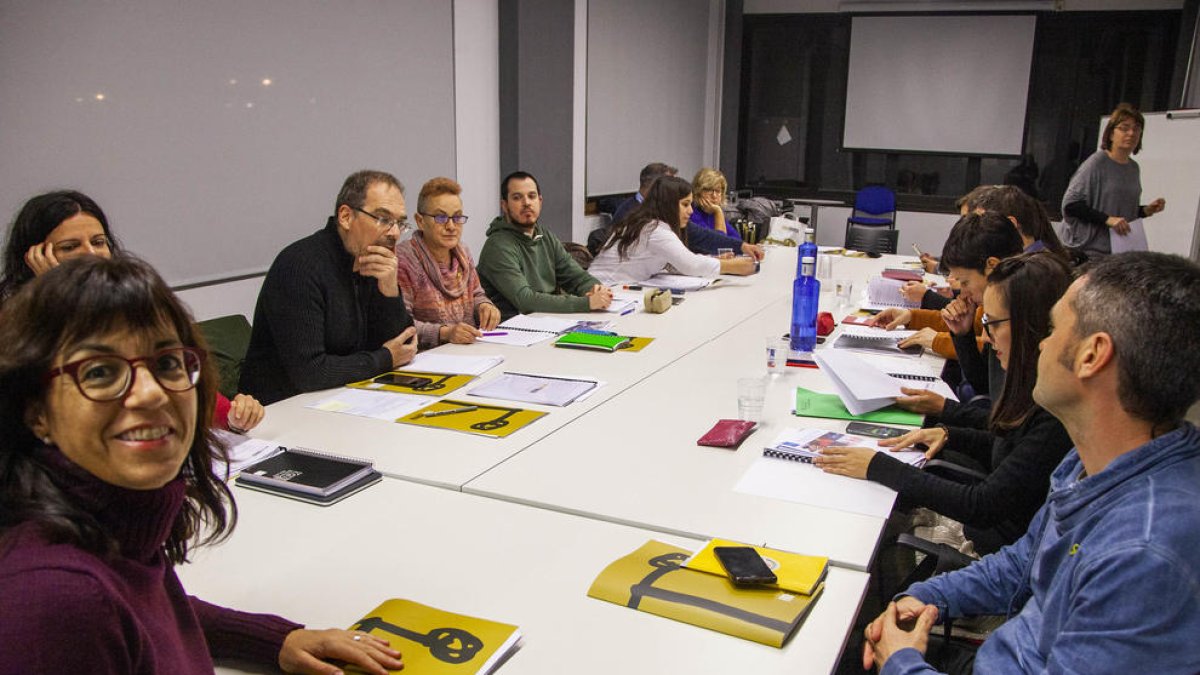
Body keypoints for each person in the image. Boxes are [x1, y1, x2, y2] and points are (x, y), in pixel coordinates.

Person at [0, 255, 404, 674]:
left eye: (168, 364)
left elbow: (151, 606)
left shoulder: (111, 527)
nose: (151, 394)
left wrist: (275, 637)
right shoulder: (55, 599)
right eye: (100, 372)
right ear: (36, 412)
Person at [862, 252, 1200, 674]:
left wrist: (901, 664)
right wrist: (927, 598)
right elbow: (1024, 564)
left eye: (1055, 329)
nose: (1040, 342)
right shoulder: (1094, 461)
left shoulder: (1143, 553)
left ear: (1092, 355)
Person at [815, 253, 1074, 555]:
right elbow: (1011, 441)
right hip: (996, 533)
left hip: (993, 547)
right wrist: (950, 431)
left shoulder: (1054, 410)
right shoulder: (1032, 387)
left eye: (991, 324)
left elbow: (982, 505)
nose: (987, 339)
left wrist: (878, 466)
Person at [0, 190, 264, 434]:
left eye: (98, 242)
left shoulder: (133, 307)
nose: (91, 254)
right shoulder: (15, 325)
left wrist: (232, 417)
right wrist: (54, 296)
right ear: (34, 257)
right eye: (70, 247)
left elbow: (184, 386)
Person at [240, 170, 418, 405]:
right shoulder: (301, 266)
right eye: (383, 219)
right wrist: (384, 359)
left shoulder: (371, 260)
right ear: (345, 216)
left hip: (346, 398)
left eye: (400, 223)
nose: (394, 233)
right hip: (282, 409)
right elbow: (311, 372)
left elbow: (404, 345)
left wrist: (389, 289)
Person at [871, 212, 1024, 426]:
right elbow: (985, 385)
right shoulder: (995, 308)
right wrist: (963, 335)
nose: (962, 293)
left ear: (992, 265)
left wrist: (945, 410)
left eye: (965, 282)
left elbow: (1008, 427)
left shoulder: (1017, 316)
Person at [477, 171, 612, 319]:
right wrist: (586, 303)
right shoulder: (498, 246)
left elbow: (576, 277)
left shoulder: (545, 236)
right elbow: (526, 301)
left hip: (548, 322)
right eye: (517, 197)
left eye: (532, 196)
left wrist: (594, 289)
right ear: (504, 205)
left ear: (540, 201)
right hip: (512, 329)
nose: (527, 202)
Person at [588, 176, 758, 286]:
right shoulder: (654, 230)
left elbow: (677, 261)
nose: (690, 211)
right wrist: (732, 266)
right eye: (685, 204)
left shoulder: (650, 223)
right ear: (668, 205)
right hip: (605, 290)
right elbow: (691, 265)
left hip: (614, 289)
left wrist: (712, 259)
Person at [396, 177, 500, 348]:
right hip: (427, 358)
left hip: (470, 349)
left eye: (457, 217)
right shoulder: (404, 260)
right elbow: (400, 324)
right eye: (441, 218)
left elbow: (476, 294)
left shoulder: (463, 253)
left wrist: (484, 306)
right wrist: (445, 333)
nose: (452, 226)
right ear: (420, 221)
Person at [1061, 103, 1166, 260]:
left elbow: (1120, 212)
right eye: (1124, 128)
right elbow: (1071, 205)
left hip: (1118, 252)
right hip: (1090, 252)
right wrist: (1108, 220)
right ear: (1111, 134)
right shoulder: (1096, 163)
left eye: (1136, 129)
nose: (1131, 133)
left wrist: (1145, 211)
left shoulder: (1133, 168)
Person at [688, 167, 741, 241]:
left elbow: (737, 240)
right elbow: (720, 243)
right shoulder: (690, 213)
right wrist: (718, 212)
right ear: (697, 191)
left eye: (718, 191)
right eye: (708, 190)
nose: (714, 195)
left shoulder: (712, 212)